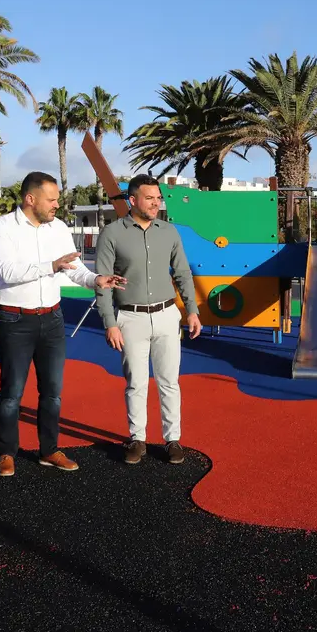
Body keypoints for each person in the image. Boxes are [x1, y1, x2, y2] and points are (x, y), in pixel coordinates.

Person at [0, 172, 125, 477]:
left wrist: (95, 280)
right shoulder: (2, 227)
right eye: (52, 199)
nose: (57, 205)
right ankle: (5, 452)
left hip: (52, 318)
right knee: (12, 392)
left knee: (52, 391)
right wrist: (51, 266)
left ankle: (49, 450)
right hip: (14, 318)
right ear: (30, 199)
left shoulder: (58, 228)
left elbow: (73, 268)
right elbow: (9, 272)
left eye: (58, 199)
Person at [94, 174, 201, 465]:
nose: (156, 203)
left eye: (158, 198)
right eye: (150, 198)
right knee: (136, 383)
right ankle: (137, 439)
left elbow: (182, 273)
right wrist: (110, 323)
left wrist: (192, 310)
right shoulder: (112, 233)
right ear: (133, 200)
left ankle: (172, 440)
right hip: (130, 318)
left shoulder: (169, 232)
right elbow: (102, 282)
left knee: (169, 382)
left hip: (167, 315)